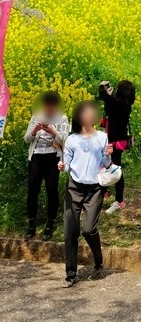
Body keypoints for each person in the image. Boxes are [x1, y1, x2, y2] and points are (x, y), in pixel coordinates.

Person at [58, 100, 113, 287]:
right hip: (74, 187)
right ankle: (70, 275)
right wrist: (62, 166)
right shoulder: (72, 139)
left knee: (89, 229)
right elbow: (66, 165)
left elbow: (107, 164)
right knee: (70, 232)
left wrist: (108, 154)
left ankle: (98, 261)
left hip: (95, 188)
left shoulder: (102, 137)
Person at [23, 91, 69, 241]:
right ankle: (31, 224)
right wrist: (35, 130)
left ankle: (50, 223)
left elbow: (66, 141)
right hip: (36, 156)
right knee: (33, 190)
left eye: (52, 106)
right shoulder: (37, 116)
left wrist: (53, 131)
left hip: (52, 157)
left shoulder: (62, 119)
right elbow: (26, 139)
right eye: (46, 106)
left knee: (51, 189)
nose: (49, 109)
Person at [98, 79, 136, 214]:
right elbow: (109, 106)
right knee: (105, 165)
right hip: (113, 140)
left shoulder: (118, 104)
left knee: (115, 169)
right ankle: (104, 192)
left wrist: (103, 86)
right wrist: (110, 95)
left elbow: (103, 96)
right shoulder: (124, 105)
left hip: (115, 142)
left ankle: (119, 201)